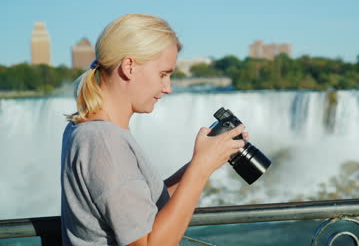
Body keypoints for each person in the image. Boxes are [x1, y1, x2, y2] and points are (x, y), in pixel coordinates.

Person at [61, 13, 247, 246]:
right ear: (129, 66)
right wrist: (199, 170)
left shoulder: (91, 129)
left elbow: (142, 209)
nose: (167, 88)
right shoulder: (102, 140)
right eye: (163, 74)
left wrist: (205, 161)